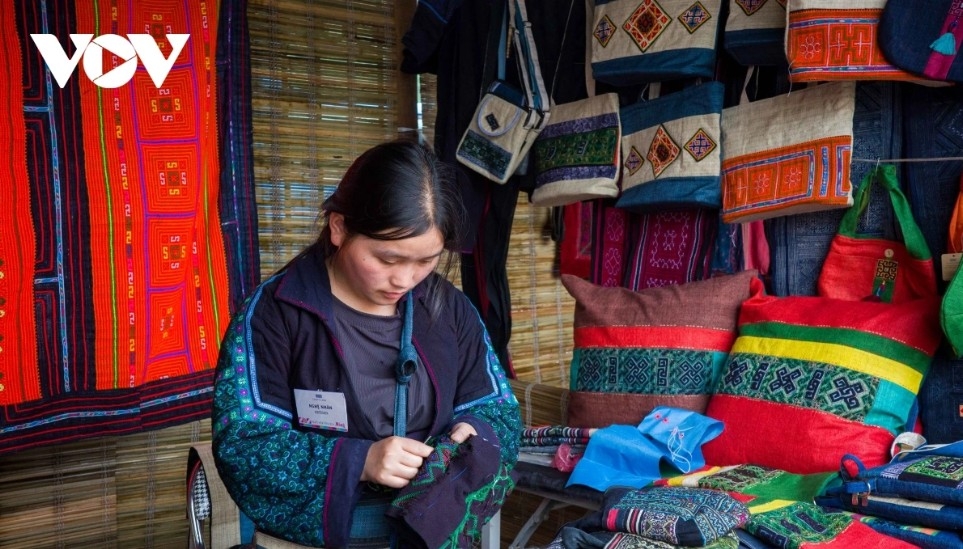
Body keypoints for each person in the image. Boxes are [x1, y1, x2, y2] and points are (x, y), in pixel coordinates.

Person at [211, 139, 522, 548]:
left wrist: (475, 430)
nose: (405, 279)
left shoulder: (450, 310)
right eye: (388, 259)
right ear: (340, 227)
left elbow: (499, 411)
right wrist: (360, 461)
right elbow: (244, 445)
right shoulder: (275, 313)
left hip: (428, 535)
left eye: (426, 261)